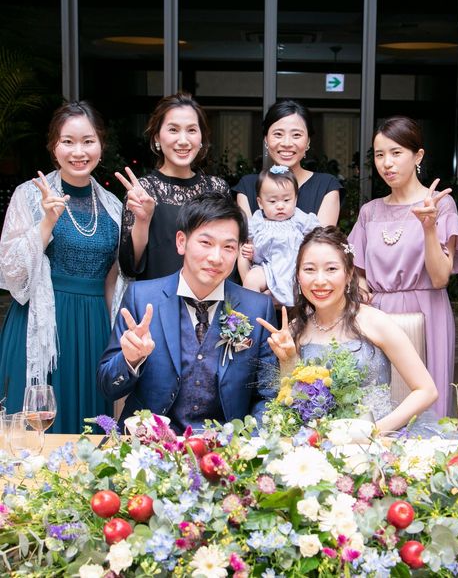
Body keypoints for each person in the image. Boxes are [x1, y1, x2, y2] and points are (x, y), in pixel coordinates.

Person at [97, 192, 278, 433]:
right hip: (151, 445)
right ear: (181, 242)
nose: (216, 258)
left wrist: (247, 442)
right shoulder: (141, 298)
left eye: (228, 247)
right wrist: (130, 360)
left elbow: (268, 395)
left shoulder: (257, 309)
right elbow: (108, 387)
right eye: (206, 243)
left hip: (227, 447)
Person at [0, 101, 124, 433]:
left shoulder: (113, 206)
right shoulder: (28, 196)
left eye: (88, 141)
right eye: (68, 141)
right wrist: (46, 223)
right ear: (53, 146)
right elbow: (11, 273)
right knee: (35, 431)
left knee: (89, 430)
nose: (78, 152)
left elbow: (116, 280)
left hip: (94, 328)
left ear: (101, 145)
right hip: (41, 326)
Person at [256, 226, 439, 433]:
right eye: (309, 269)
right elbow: (292, 403)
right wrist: (287, 360)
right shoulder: (295, 330)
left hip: (379, 438)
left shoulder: (376, 322)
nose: (320, 280)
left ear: (349, 273)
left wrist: (374, 432)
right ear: (298, 276)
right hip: (317, 441)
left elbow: (426, 390)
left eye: (331, 269)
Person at [347, 116, 458, 419]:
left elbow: (440, 278)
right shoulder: (369, 212)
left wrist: (429, 227)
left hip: (428, 312)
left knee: (426, 407)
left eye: (396, 152)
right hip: (379, 315)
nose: (387, 163)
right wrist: (360, 286)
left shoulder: (440, 204)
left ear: (418, 156)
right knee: (378, 402)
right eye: (379, 155)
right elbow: (356, 270)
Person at [117, 92, 230, 281]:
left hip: (209, 296)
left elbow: (228, 250)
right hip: (158, 297)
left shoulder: (218, 189)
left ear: (201, 138)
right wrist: (143, 221)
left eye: (191, 130)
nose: (183, 140)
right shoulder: (144, 190)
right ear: (157, 138)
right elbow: (130, 267)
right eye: (173, 130)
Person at [234, 99, 344, 226]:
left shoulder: (326, 186)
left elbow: (323, 238)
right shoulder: (248, 186)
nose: (287, 143)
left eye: (296, 135)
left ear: (308, 141)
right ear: (266, 140)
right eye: (278, 134)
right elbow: (247, 236)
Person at [238, 165, 320, 306]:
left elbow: (317, 236)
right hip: (267, 268)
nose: (280, 206)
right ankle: (253, 313)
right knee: (251, 278)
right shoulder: (257, 222)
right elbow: (251, 245)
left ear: (295, 199)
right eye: (273, 201)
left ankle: (307, 314)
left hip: (294, 269)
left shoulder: (299, 219)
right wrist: (250, 252)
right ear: (260, 203)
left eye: (286, 200)